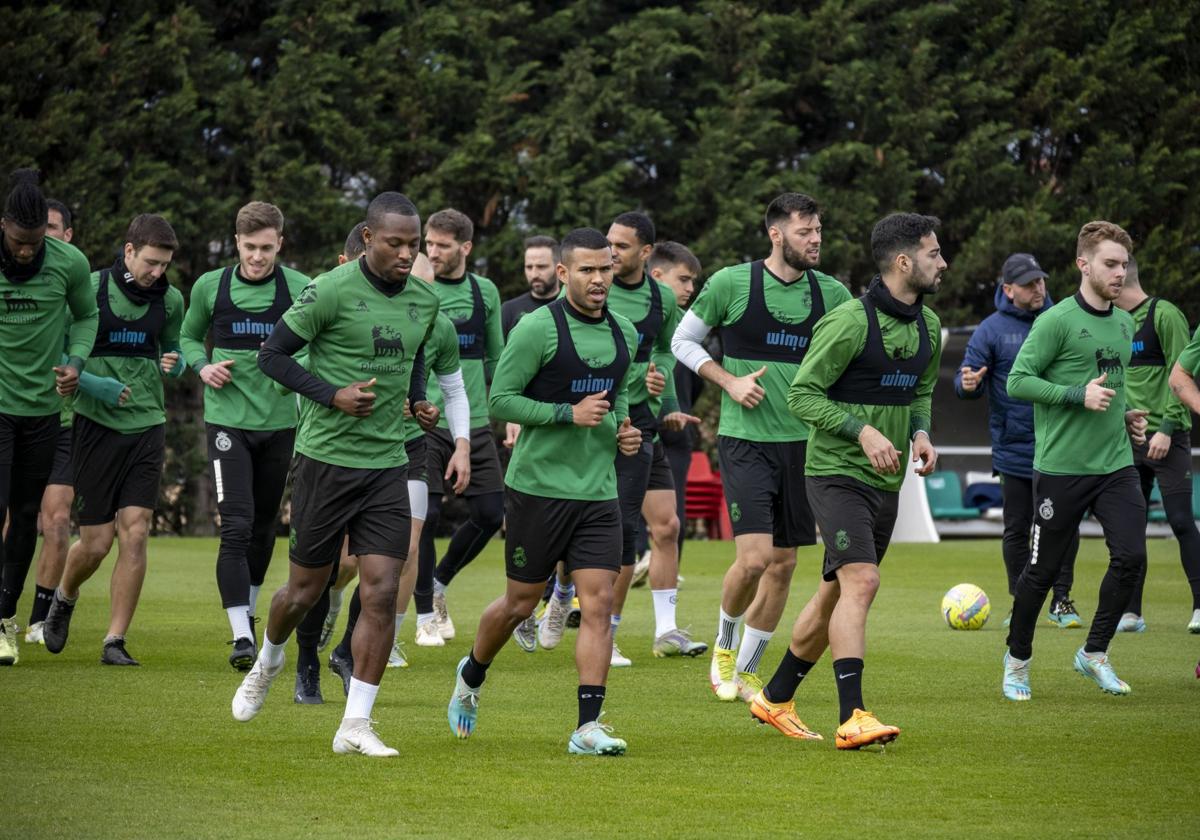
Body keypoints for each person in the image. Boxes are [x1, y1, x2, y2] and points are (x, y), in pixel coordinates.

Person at [231, 191, 440, 757]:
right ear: (368, 239)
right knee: (304, 590)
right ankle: (268, 660)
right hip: (325, 461)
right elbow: (272, 356)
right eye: (394, 243)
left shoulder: (425, 299)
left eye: (413, 244)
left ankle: (355, 723)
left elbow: (416, 354)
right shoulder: (328, 290)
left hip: (388, 464)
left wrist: (419, 400)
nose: (405, 253)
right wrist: (332, 396)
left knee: (379, 591)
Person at [750, 212, 943, 749]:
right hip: (836, 475)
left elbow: (920, 390)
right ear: (903, 262)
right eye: (933, 254)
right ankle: (853, 715)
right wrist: (862, 432)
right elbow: (801, 395)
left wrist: (921, 432)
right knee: (863, 581)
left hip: (887, 482)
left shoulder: (930, 325)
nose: (943, 263)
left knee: (836, 593)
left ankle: (775, 697)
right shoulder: (849, 322)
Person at [446, 227, 642, 755]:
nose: (600, 278)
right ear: (562, 273)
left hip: (598, 494)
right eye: (587, 270)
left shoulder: (625, 330)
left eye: (606, 268)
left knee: (598, 604)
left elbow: (618, 393)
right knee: (519, 603)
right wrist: (566, 414)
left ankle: (587, 726)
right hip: (537, 490)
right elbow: (501, 402)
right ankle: (472, 673)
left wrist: (624, 430)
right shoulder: (537, 329)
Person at [671, 192, 852, 702]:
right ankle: (725, 648)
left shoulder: (834, 295)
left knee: (786, 563)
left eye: (818, 231)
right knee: (753, 559)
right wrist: (727, 382)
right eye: (804, 232)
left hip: (807, 445)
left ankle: (749, 671)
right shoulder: (732, 283)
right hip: (745, 439)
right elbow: (681, 342)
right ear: (775, 234)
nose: (815, 240)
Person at [1002, 220, 1149, 701]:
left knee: (1131, 558)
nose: (1119, 273)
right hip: (1062, 470)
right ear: (1083, 265)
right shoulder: (1056, 320)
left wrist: (1126, 416)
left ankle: (1094, 653)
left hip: (1116, 465)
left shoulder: (1127, 322)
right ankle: (1018, 661)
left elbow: (1109, 383)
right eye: (1110, 263)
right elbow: (1017, 382)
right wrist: (1074, 395)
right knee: (1041, 574)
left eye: (1124, 264)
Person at [42, 214, 186, 666]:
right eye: (150, 262)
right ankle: (64, 596)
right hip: (93, 425)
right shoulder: (90, 288)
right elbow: (58, 354)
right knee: (98, 542)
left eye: (164, 265)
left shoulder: (172, 300)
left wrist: (176, 365)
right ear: (128, 252)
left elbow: (173, 348)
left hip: (147, 424)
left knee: (137, 531)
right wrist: (97, 385)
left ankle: (114, 640)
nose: (157, 272)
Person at [179, 202, 312, 671]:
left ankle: (251, 613)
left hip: (280, 427)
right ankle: (240, 636)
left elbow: (317, 348)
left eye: (267, 248)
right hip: (227, 423)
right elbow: (189, 337)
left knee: (262, 526)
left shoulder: (300, 289)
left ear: (280, 243)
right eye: (250, 247)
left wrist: (290, 376)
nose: (258, 257)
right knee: (234, 525)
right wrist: (203, 365)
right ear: (236, 242)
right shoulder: (210, 286)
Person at [0, 171, 98, 666]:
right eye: (18, 242)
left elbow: (86, 318)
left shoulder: (68, 263)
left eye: (35, 242)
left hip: (42, 411)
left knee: (23, 520)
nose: (25, 252)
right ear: (4, 227)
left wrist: (76, 364)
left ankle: (5, 622)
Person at [955, 253, 1083, 628]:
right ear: (1008, 289)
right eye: (1028, 284)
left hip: (1061, 444)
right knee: (1017, 528)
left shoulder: (1064, 320)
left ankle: (1061, 600)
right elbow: (966, 377)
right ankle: (1021, 601)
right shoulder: (991, 329)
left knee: (1063, 525)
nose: (1038, 288)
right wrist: (965, 384)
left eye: (1040, 280)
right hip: (1014, 448)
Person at [24, 201, 129, 648]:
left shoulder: (78, 285)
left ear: (67, 235)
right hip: (18, 412)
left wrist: (93, 382)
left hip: (68, 422)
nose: (43, 236)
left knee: (59, 518)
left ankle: (40, 617)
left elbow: (76, 350)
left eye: (52, 228)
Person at [421, 208, 504, 641]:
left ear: (465, 248)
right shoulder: (416, 288)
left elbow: (497, 359)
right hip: (423, 421)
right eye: (428, 243)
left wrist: (509, 416)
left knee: (492, 513)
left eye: (442, 245)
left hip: (473, 421)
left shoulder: (483, 292)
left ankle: (437, 583)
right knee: (427, 513)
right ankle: (421, 616)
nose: (432, 252)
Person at [1115, 259, 1199, 633]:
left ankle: (1199, 607)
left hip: (1169, 437)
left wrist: (1165, 428)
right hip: (1127, 440)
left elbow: (1181, 376)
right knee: (1129, 527)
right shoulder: (1111, 323)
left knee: (1181, 521)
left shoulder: (1164, 315)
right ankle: (1131, 612)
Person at [633, 241, 704, 586]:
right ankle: (568, 593)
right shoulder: (633, 320)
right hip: (631, 428)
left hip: (676, 431)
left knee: (673, 518)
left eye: (693, 282)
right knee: (617, 511)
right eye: (684, 280)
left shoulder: (692, 328)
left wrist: (678, 408)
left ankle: (665, 583)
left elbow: (696, 378)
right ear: (656, 275)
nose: (691, 289)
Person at [501, 235, 560, 339]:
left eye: (541, 267)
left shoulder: (573, 307)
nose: (534, 274)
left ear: (559, 268)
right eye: (529, 267)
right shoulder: (509, 310)